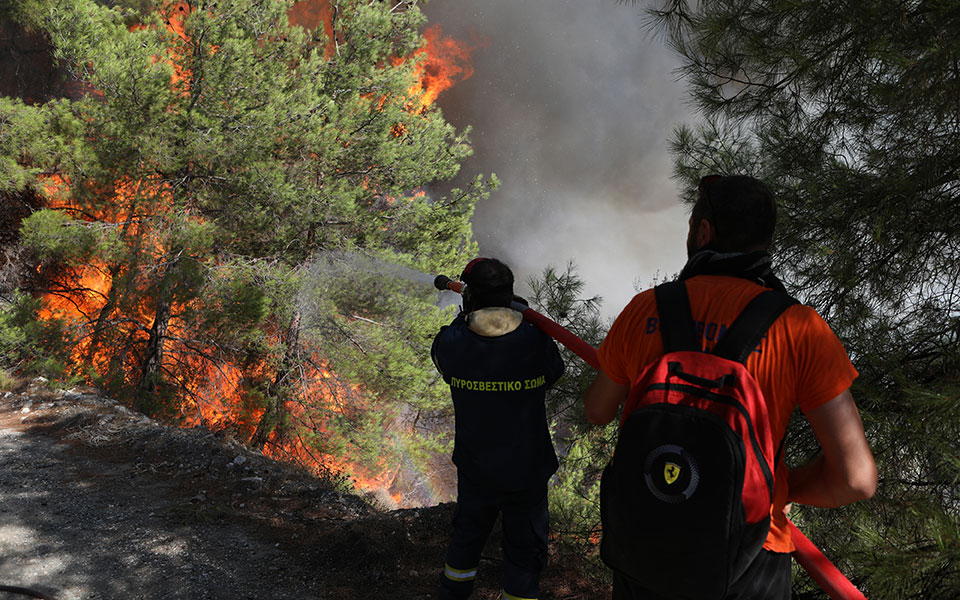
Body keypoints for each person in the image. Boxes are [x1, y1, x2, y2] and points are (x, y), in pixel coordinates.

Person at [583, 175, 877, 599]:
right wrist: (782, 487)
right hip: (748, 557)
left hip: (647, 540)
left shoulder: (646, 307)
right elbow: (857, 480)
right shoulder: (800, 330)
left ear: (704, 232)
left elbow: (597, 410)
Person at [432, 257, 565, 600]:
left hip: (478, 471)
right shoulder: (536, 342)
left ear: (470, 297)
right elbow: (554, 371)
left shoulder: (452, 344)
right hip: (527, 471)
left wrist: (466, 314)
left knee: (464, 550)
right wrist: (521, 320)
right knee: (524, 559)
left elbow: (448, 347)